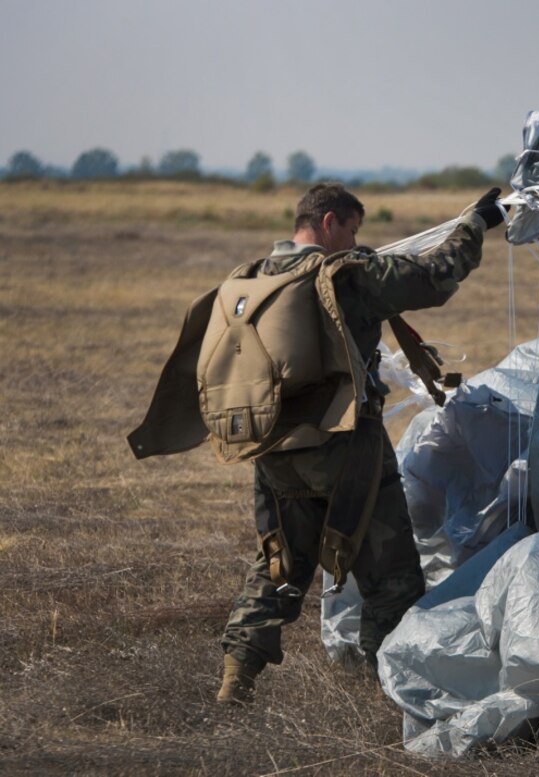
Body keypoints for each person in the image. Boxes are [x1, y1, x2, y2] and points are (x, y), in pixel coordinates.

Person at [127, 183, 506, 703]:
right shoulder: (344, 277)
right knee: (389, 577)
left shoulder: (253, 279)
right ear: (329, 223)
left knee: (279, 566)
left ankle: (236, 679)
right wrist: (476, 224)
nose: (354, 241)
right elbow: (435, 276)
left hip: (272, 449)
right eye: (351, 229)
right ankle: (389, 692)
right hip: (346, 449)